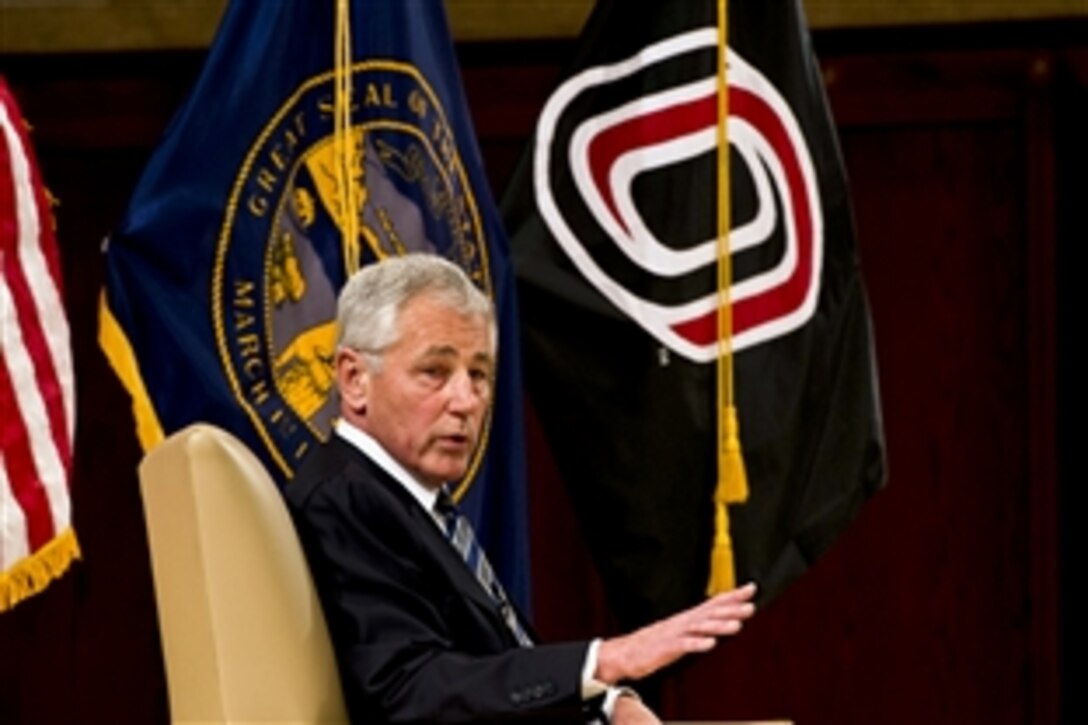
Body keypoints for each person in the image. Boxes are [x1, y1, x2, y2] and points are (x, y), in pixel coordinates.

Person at [285, 253, 757, 724]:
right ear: (354, 379)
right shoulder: (343, 499)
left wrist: (612, 702)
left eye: (479, 374)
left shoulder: (414, 504)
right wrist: (604, 662)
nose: (467, 402)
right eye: (435, 371)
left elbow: (496, 661)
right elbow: (408, 689)